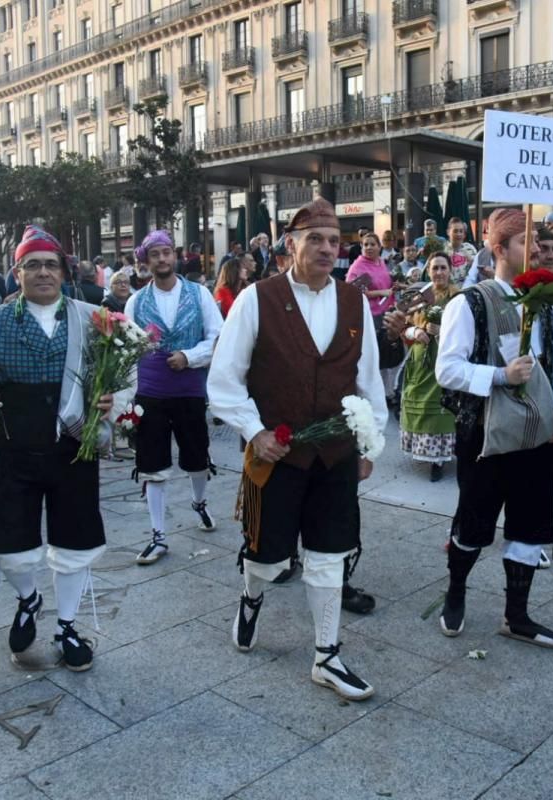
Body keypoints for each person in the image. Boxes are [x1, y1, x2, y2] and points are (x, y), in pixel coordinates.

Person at [207, 198, 388, 700]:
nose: (329, 249)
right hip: (277, 454)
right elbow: (224, 380)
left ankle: (326, 655)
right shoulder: (256, 298)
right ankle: (251, 595)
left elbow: (368, 379)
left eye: (335, 241)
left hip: (335, 453)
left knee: (331, 554)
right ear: (291, 245)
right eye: (317, 240)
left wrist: (372, 440)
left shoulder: (354, 301)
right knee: (266, 557)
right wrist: (254, 430)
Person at [0, 226, 121, 672]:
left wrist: (117, 402)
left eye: (51, 264)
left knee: (76, 543)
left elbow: (131, 369)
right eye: (32, 265)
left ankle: (65, 625)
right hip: (15, 452)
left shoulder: (94, 319)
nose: (43, 273)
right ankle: (28, 597)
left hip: (74, 451)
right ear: (16, 273)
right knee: (11, 548)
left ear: (64, 271)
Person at [435, 207, 553, 648]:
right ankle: (456, 591)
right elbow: (447, 370)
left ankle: (517, 615)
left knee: (531, 526)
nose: (536, 251)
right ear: (499, 249)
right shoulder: (469, 302)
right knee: (474, 525)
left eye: (538, 243)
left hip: (537, 437)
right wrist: (498, 376)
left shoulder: (548, 307)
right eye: (525, 243)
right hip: (485, 438)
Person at [125, 230, 223, 563]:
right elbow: (126, 349)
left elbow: (217, 336)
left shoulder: (199, 294)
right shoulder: (136, 301)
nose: (162, 259)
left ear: (175, 256)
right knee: (152, 463)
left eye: (166, 252)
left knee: (196, 457)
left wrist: (189, 356)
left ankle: (199, 502)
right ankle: (158, 535)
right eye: (155, 254)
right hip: (150, 391)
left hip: (188, 389)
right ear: (146, 261)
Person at [400, 252, 458, 481]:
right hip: (420, 359)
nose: (439, 273)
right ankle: (425, 452)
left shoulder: (458, 297)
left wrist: (441, 332)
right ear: (428, 271)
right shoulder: (419, 296)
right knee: (420, 403)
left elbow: (467, 330)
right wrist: (416, 331)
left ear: (450, 270)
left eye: (443, 268)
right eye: (435, 268)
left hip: (445, 358)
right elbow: (404, 326)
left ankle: (440, 460)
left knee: (441, 407)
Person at [346, 233, 397, 402]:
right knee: (372, 356)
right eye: (365, 244)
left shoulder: (381, 262)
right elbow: (352, 292)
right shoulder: (357, 267)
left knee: (387, 354)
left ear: (379, 247)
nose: (368, 247)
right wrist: (380, 292)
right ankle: (372, 393)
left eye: (372, 244)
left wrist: (394, 286)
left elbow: (387, 284)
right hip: (369, 315)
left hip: (387, 311)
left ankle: (386, 391)